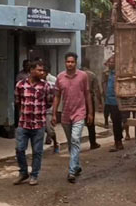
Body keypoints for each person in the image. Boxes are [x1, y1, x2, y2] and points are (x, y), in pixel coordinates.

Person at [53, 52, 93, 183]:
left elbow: (87, 94)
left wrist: (90, 112)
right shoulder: (60, 77)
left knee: (75, 139)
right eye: (68, 62)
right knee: (71, 143)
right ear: (65, 62)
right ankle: (77, 165)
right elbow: (57, 96)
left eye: (72, 62)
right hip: (65, 114)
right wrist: (54, 114)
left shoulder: (83, 76)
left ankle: (71, 171)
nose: (70, 64)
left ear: (76, 63)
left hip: (79, 113)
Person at [13, 60, 52, 186]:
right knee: (19, 149)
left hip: (39, 124)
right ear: (31, 70)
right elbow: (18, 101)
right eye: (39, 70)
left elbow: (48, 102)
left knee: (37, 151)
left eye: (43, 70)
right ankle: (23, 172)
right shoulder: (20, 85)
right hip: (23, 123)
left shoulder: (46, 86)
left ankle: (34, 175)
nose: (42, 73)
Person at [102, 56, 124, 152]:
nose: (110, 63)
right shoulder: (108, 73)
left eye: (112, 62)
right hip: (108, 100)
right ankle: (118, 141)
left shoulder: (119, 74)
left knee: (117, 123)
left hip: (117, 101)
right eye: (110, 62)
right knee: (114, 121)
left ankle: (118, 142)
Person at [81, 58, 103, 150]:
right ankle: (93, 143)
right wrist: (100, 102)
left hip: (78, 101)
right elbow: (97, 90)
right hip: (89, 101)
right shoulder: (92, 75)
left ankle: (74, 144)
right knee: (90, 123)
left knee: (77, 123)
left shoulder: (77, 75)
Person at [41, 64, 60, 154]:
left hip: (48, 109)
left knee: (49, 129)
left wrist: (54, 113)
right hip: (37, 110)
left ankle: (55, 143)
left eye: (43, 72)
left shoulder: (52, 82)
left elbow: (55, 98)